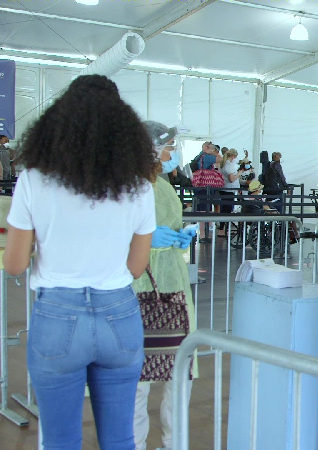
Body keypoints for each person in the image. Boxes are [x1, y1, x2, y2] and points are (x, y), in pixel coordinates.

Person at [2, 74, 156, 449]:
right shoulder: (139, 186)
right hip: (119, 314)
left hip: (57, 313)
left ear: (60, 122)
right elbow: (136, 267)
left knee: (59, 440)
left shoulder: (34, 180)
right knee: (121, 438)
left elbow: (15, 263)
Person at [133, 120, 197, 450]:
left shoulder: (164, 184)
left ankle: (174, 444)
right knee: (137, 381)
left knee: (178, 374)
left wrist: (181, 237)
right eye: (169, 146)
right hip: (140, 289)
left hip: (172, 288)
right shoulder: (127, 185)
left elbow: (168, 225)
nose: (173, 152)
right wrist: (145, 240)